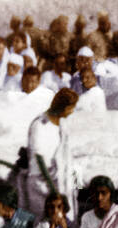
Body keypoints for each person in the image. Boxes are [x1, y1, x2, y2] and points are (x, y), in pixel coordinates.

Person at [24, 87, 78, 219]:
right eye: (71, 108)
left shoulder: (62, 124)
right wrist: (53, 189)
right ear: (63, 107)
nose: (72, 111)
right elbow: (39, 158)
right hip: (41, 181)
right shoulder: (40, 125)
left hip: (59, 180)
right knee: (42, 225)